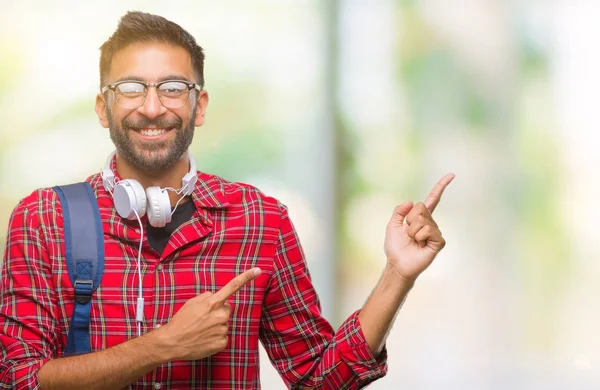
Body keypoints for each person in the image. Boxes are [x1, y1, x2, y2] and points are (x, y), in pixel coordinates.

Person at [0, 11, 454, 390]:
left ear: (199, 106)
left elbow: (318, 379)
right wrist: (166, 345)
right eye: (132, 88)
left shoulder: (260, 220)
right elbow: (17, 379)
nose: (153, 107)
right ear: (104, 108)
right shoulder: (44, 219)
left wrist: (397, 275)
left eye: (174, 87)